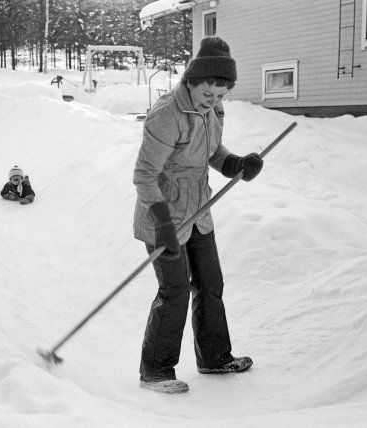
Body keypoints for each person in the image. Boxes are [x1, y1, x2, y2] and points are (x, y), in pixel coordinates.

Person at [133, 36, 264, 394]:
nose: (215, 101)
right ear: (192, 80)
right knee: (174, 289)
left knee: (210, 283)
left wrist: (235, 163)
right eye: (209, 92)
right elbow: (144, 175)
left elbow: (211, 150)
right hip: (162, 217)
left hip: (198, 212)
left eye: (222, 94)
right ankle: (155, 371)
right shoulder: (167, 115)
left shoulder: (213, 111)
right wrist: (161, 222)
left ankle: (214, 357)